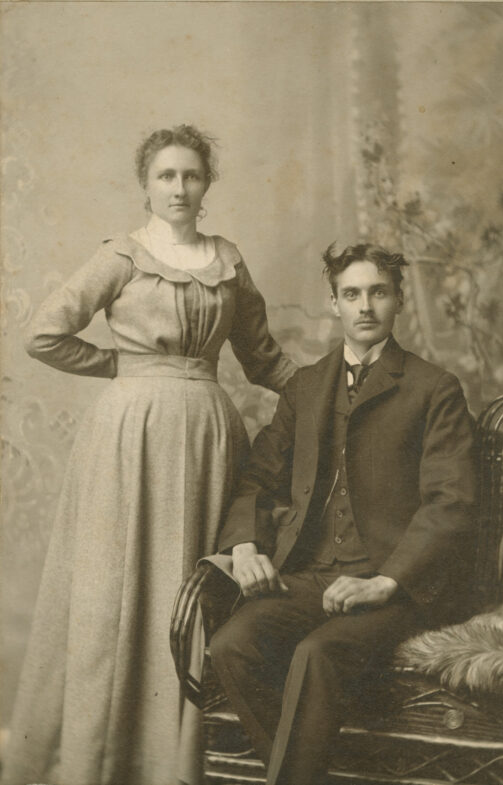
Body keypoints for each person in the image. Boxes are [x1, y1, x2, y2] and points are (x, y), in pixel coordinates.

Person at [2, 125, 297, 785]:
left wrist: (331, 392)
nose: (179, 188)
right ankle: (100, 756)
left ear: (207, 185)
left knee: (190, 588)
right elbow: (44, 333)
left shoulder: (227, 259)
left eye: (190, 175)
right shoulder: (122, 255)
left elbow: (263, 357)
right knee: (114, 589)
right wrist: (119, 365)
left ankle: (178, 758)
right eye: (165, 175)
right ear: (146, 184)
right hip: (127, 437)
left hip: (210, 441)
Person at [207, 242, 477, 785]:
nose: (365, 306)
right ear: (334, 304)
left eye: (379, 292)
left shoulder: (434, 390)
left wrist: (387, 580)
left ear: (398, 300)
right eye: (351, 294)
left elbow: (452, 503)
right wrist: (245, 546)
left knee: (319, 653)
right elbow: (258, 478)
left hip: (395, 586)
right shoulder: (306, 388)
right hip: (312, 576)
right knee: (231, 645)